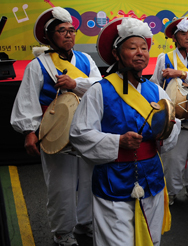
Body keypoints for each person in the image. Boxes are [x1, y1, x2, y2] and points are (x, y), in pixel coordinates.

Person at [70, 17, 181, 245]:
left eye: (143, 48)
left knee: (152, 239)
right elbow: (79, 134)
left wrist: (167, 131)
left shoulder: (157, 91)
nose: (140, 53)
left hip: (151, 176)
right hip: (112, 179)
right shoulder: (99, 91)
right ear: (116, 53)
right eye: (132, 48)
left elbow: (171, 130)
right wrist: (117, 141)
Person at [10, 7, 101, 246]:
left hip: (85, 128)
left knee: (89, 178)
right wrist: (30, 132)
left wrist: (75, 83)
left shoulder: (86, 59)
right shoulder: (37, 65)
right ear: (49, 37)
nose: (69, 35)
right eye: (62, 31)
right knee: (61, 184)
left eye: (71, 30)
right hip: (55, 133)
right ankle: (62, 232)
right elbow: (28, 100)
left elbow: (100, 88)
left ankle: (85, 222)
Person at [151, 17, 188, 204]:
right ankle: (171, 191)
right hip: (175, 115)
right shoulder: (164, 58)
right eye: (183, 33)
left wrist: (179, 73)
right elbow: (156, 85)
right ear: (175, 38)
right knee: (174, 156)